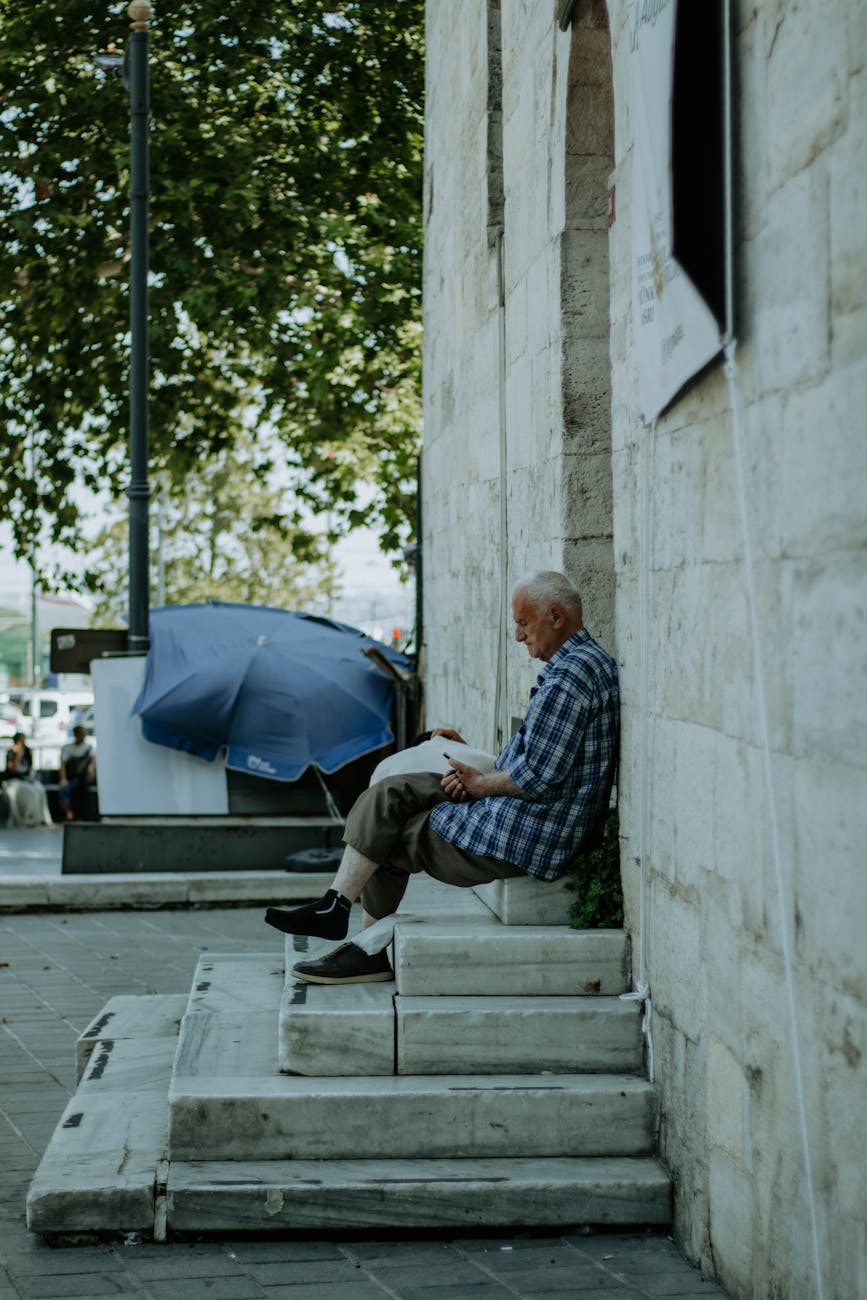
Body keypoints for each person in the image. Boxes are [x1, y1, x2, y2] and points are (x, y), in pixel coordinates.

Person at [265, 570, 620, 985]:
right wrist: (474, 760)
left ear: (555, 616)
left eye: (523, 623)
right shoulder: (583, 664)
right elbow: (543, 760)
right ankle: (341, 916)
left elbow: (539, 777)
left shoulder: (570, 678)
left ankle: (362, 941)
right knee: (392, 797)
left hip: (534, 833)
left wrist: (479, 785)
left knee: (391, 826)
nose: (519, 636)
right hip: (532, 815)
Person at [2, 732, 53, 827]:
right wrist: (18, 756)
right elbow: (11, 769)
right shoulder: (11, 753)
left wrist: (31, 777)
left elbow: (30, 768)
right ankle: (28, 818)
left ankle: (40, 817)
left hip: (27, 779)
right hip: (14, 780)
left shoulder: (28, 751)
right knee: (30, 792)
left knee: (40, 789)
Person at [58, 725, 96, 822]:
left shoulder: (89, 748)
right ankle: (69, 812)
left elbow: (92, 763)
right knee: (64, 790)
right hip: (71, 778)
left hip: (83, 778)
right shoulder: (67, 748)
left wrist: (90, 771)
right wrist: (63, 779)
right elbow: (63, 765)